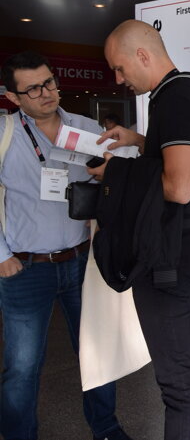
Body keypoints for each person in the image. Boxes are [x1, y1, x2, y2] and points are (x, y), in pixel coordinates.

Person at [88, 19, 190, 440]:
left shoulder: (175, 102)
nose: (118, 79)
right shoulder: (186, 95)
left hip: (168, 259)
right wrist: (138, 140)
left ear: (143, 56)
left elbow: (179, 186)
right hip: (183, 252)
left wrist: (116, 173)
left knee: (178, 383)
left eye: (120, 68)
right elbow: (180, 157)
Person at [0, 51, 132, 440]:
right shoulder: (4, 134)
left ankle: (105, 428)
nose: (46, 92)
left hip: (81, 261)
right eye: (33, 89)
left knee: (97, 353)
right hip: (25, 268)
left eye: (49, 82)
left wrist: (110, 171)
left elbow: (109, 179)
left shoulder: (85, 127)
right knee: (23, 366)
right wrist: (1, 256)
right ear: (12, 97)